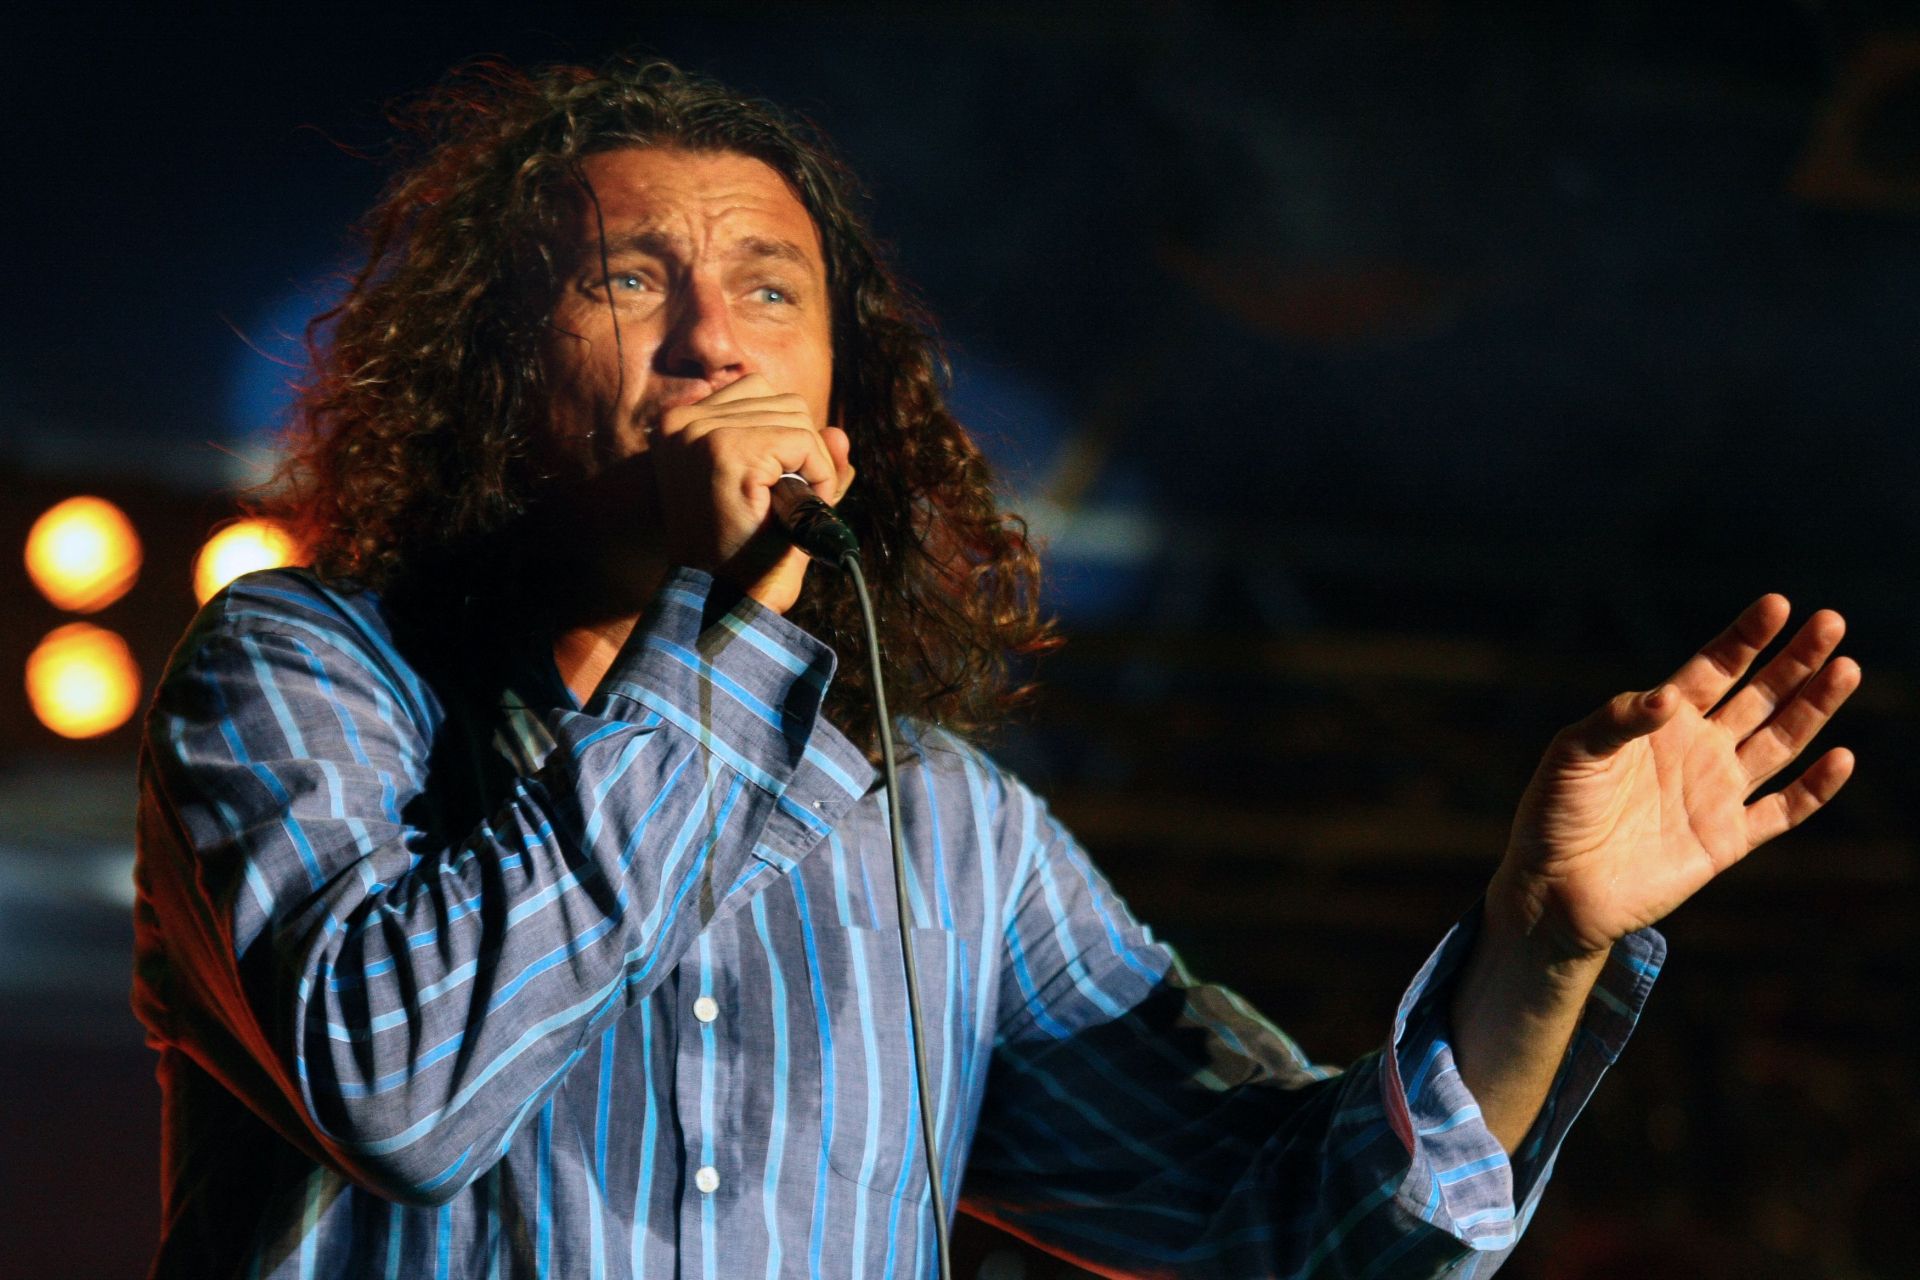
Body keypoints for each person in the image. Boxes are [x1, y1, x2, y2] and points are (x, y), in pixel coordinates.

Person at [131, 57, 1860, 1279]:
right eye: (632, 281)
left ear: (845, 394)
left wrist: (1538, 948)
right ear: (494, 374)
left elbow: (1295, 1234)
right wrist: (724, 638)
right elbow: (402, 1091)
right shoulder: (306, 672)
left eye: (771, 293)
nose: (714, 340)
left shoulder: (940, 830)